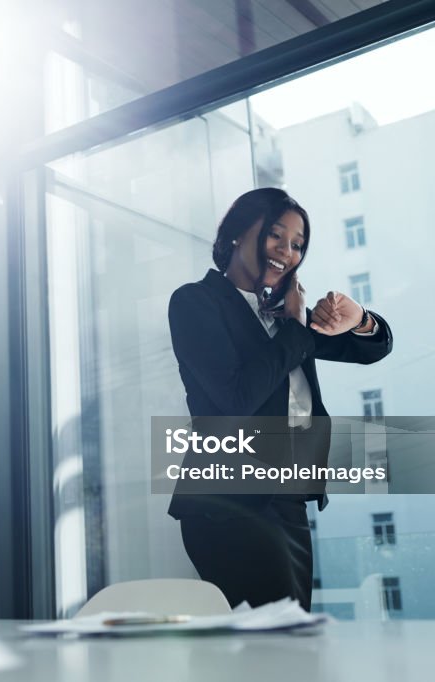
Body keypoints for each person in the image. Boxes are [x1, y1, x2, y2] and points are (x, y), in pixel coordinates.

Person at [167, 187, 393, 610]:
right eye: (276, 235)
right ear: (237, 233)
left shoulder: (286, 319)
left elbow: (372, 350)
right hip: (230, 503)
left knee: (281, 640)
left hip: (285, 498)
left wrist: (358, 318)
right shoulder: (195, 302)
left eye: (298, 244)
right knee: (278, 643)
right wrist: (295, 326)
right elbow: (236, 400)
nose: (287, 251)